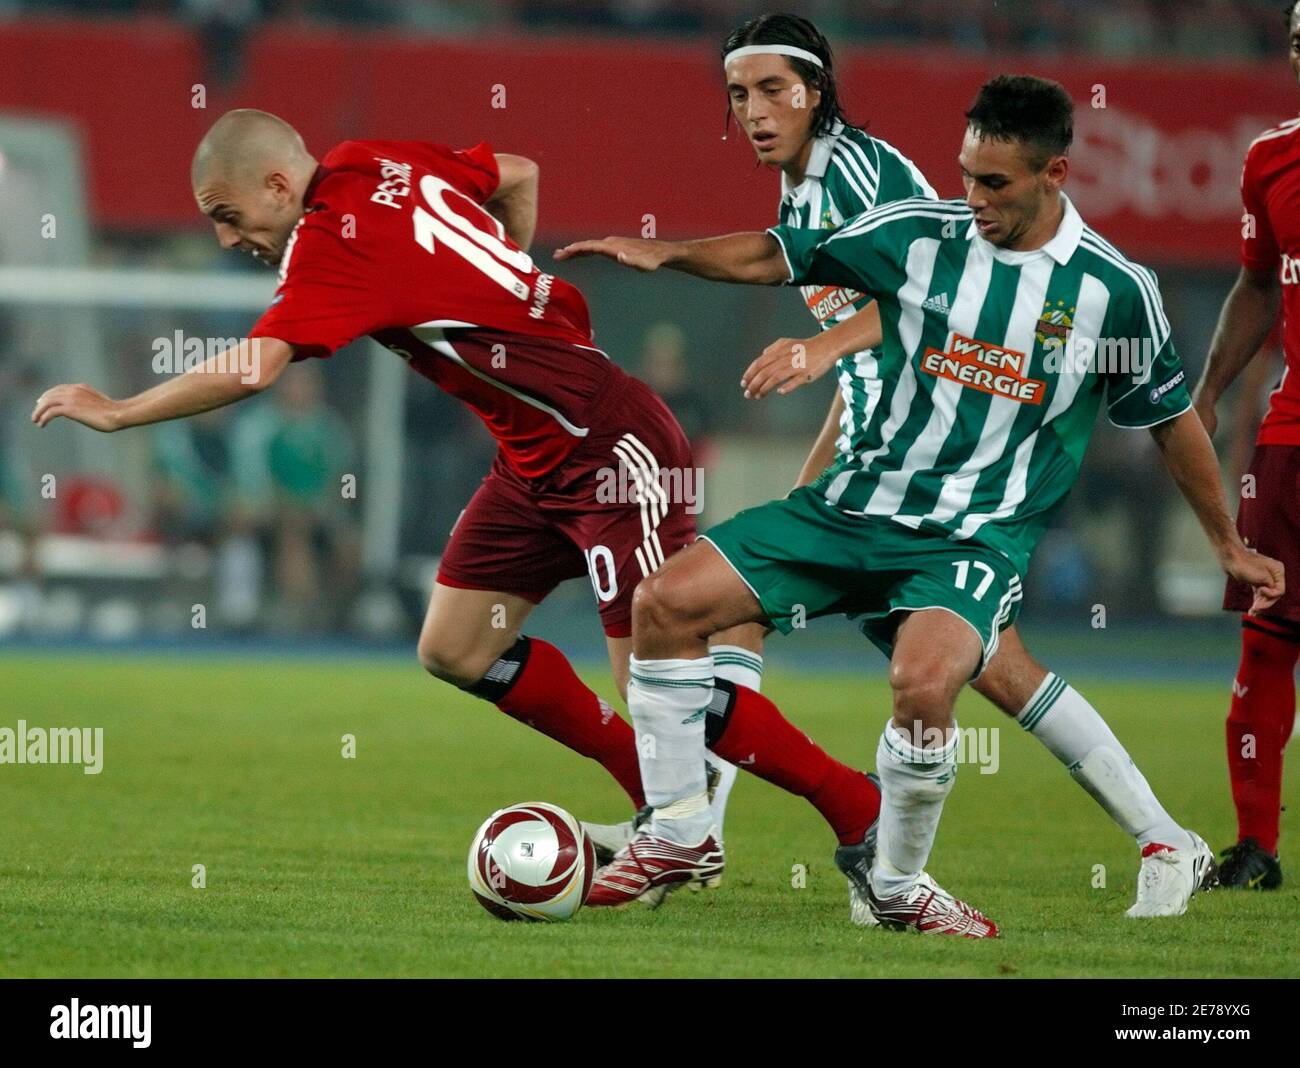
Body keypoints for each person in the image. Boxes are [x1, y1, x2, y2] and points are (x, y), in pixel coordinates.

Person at [30, 109, 882, 902]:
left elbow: (254, 369)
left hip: (613, 446)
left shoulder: (332, 248)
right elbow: (517, 171)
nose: (224, 235)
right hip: (533, 461)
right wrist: (511, 282)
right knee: (455, 646)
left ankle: (855, 812)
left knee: (660, 684)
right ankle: (665, 806)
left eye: (226, 212)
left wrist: (117, 410)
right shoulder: (372, 160)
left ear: (279, 187)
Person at [556, 74, 1283, 935]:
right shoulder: (919, 235)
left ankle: (900, 880)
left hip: (972, 540)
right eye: (966, 173)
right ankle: (681, 829)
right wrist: (669, 255)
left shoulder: (1111, 292)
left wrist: (1226, 544)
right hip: (854, 507)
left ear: (1055, 173)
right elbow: (784, 253)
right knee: (665, 603)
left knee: (925, 677)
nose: (971, 197)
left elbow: (1172, 425)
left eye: (995, 182)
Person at [1190, 0, 1300, 891]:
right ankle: (1256, 848)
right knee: (1267, 636)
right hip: (1292, 440)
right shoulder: (1270, 158)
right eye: (1298, 41)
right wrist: (1207, 394)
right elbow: (1257, 286)